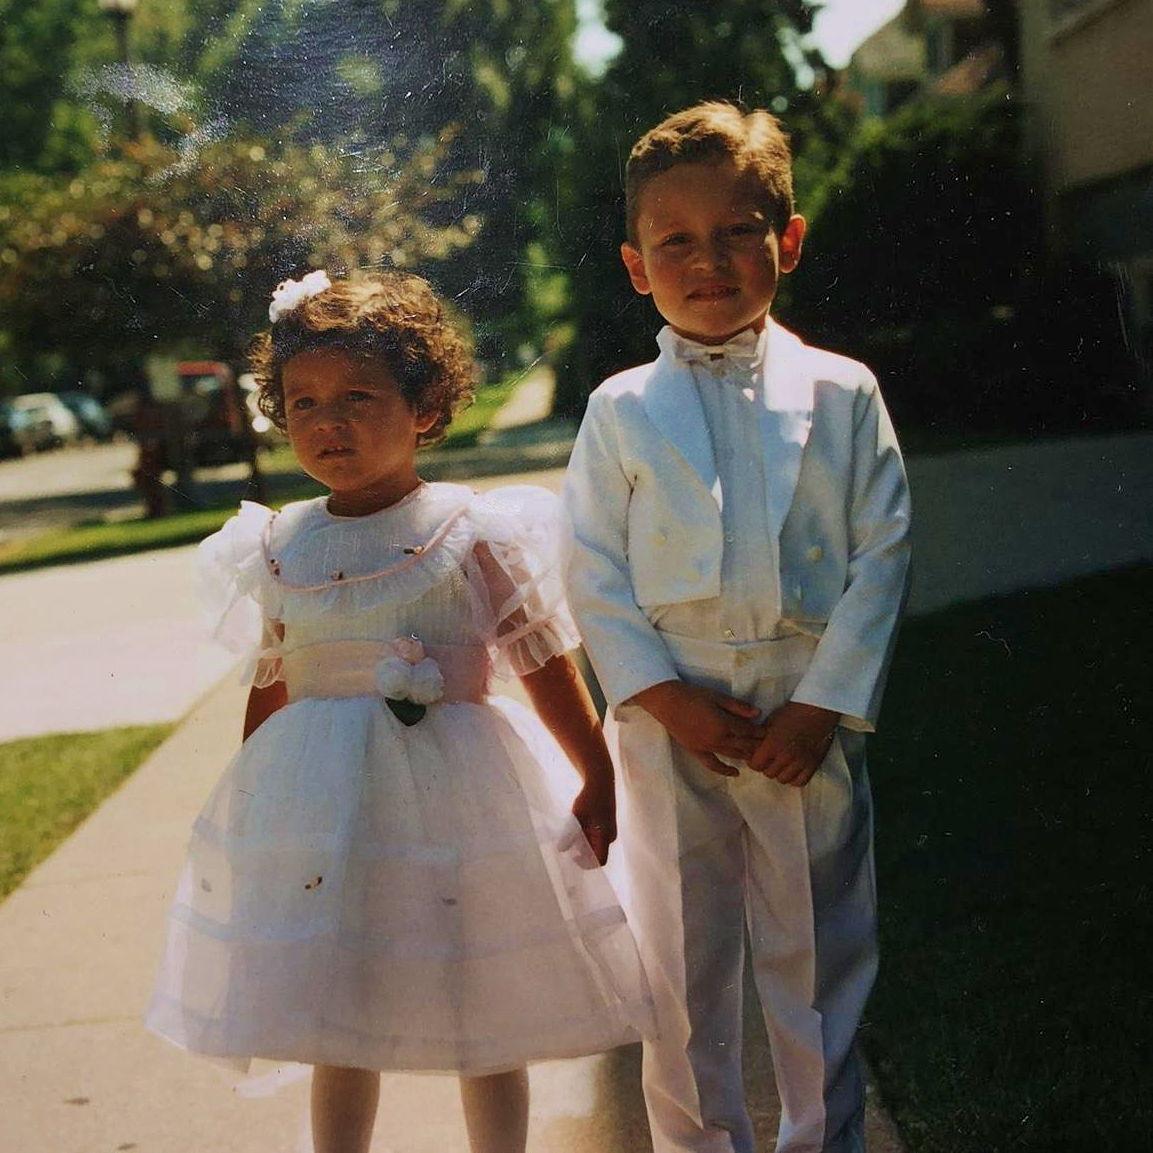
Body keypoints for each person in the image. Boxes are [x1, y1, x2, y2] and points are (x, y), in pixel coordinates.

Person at [147, 270, 654, 1153]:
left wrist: (594, 766)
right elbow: (273, 676)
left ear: (423, 406)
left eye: (357, 397)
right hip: (328, 812)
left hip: (461, 798)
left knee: (481, 994)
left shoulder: (470, 529)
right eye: (302, 402)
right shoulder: (278, 544)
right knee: (338, 1003)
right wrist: (254, 818)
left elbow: (538, 655)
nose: (327, 421)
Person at [563, 102, 912, 1153]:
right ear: (636, 265)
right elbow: (591, 568)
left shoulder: (844, 393)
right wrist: (660, 697)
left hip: (803, 711)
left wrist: (821, 706)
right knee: (681, 964)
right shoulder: (618, 410)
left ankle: (824, 1140)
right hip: (671, 718)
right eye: (675, 240)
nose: (706, 260)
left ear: (786, 241)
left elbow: (882, 550)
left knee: (816, 962)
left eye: (736, 231)